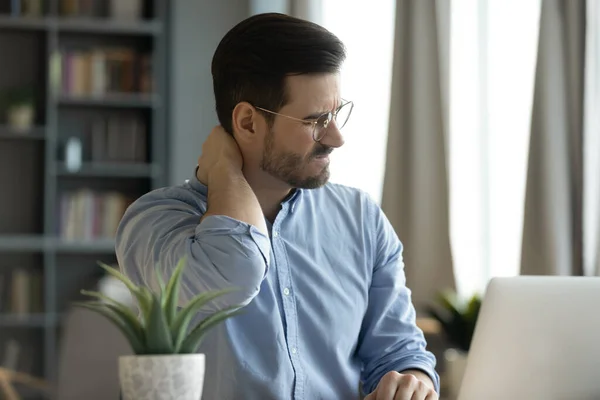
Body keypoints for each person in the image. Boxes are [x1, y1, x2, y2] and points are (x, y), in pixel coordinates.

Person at [115, 12, 440, 400]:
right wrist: (225, 172)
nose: (336, 138)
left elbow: (399, 351)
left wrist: (411, 381)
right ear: (248, 123)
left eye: (336, 114)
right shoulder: (155, 223)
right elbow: (233, 273)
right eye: (316, 120)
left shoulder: (361, 218)